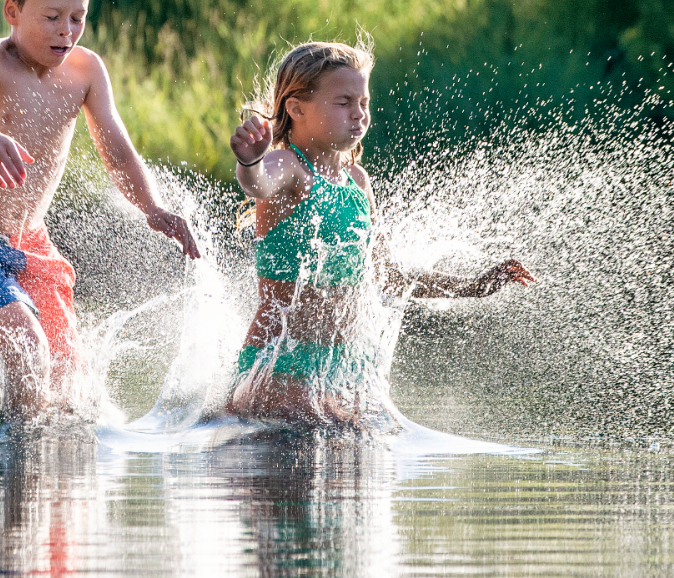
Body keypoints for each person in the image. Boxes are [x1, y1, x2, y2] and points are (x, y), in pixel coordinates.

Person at [0, 0, 200, 417]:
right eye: (51, 17)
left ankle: (35, 464)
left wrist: (152, 208)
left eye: (77, 19)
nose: (66, 31)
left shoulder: (86, 70)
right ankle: (18, 466)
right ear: (13, 10)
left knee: (71, 381)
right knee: (26, 347)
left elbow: (117, 149)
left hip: (32, 248)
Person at [225, 41, 534, 431]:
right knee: (342, 434)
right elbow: (256, 184)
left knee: (359, 452)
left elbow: (389, 277)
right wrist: (249, 160)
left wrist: (472, 287)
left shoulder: (358, 182)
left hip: (338, 371)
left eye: (364, 102)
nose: (359, 114)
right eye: (344, 102)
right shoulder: (289, 168)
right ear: (297, 108)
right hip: (279, 367)